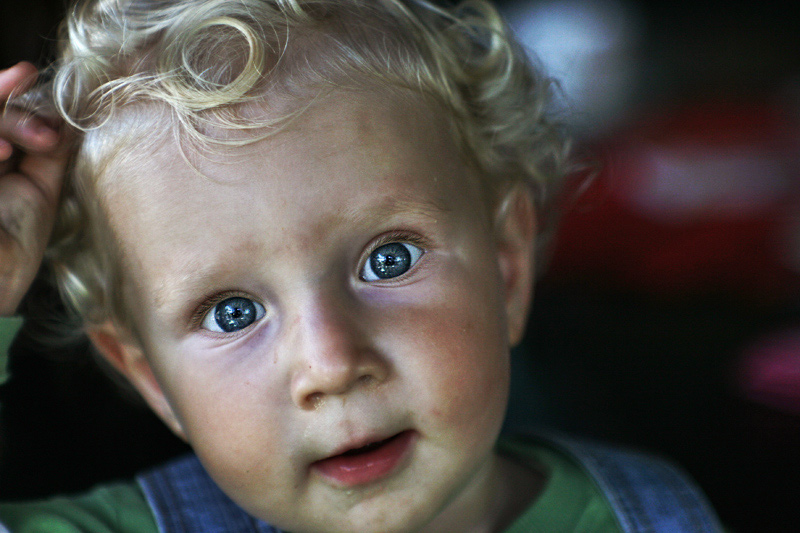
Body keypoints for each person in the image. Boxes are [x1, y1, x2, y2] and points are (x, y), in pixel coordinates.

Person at [0, 0, 723, 531]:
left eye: (389, 259)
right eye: (233, 312)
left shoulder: (655, 513)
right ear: (150, 375)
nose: (332, 363)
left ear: (505, 265)